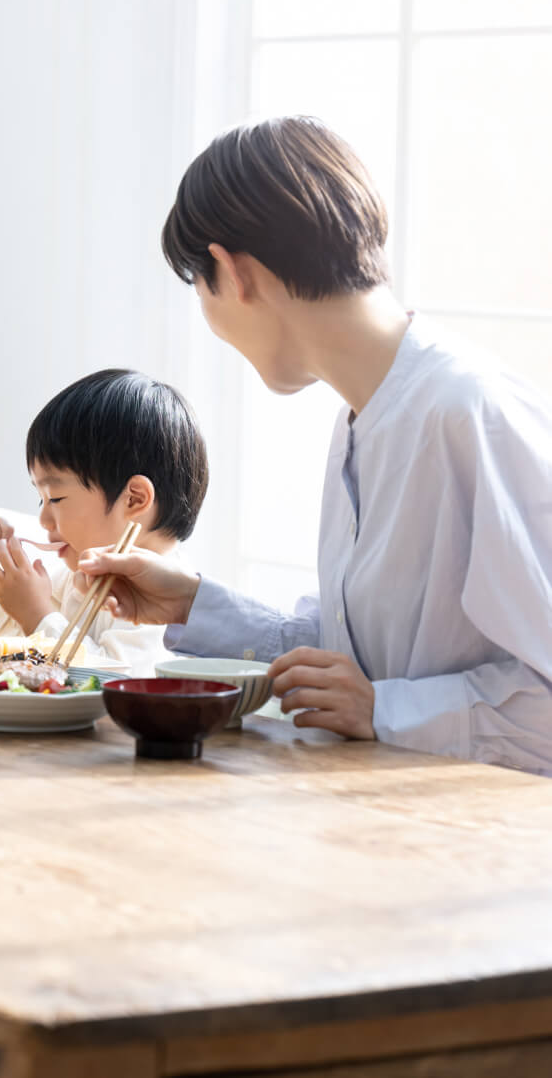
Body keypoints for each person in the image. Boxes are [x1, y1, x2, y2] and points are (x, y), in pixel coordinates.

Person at [77, 116, 552, 774]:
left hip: (481, 852)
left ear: (231, 272)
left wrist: (384, 711)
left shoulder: (469, 413)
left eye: (201, 290)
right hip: (379, 822)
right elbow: (357, 658)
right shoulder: (365, 417)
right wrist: (190, 602)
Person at [0, 368, 208, 670]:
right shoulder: (75, 576)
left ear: (134, 499)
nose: (44, 519)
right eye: (41, 499)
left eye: (56, 499)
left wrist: (37, 612)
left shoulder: (164, 598)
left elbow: (117, 678)